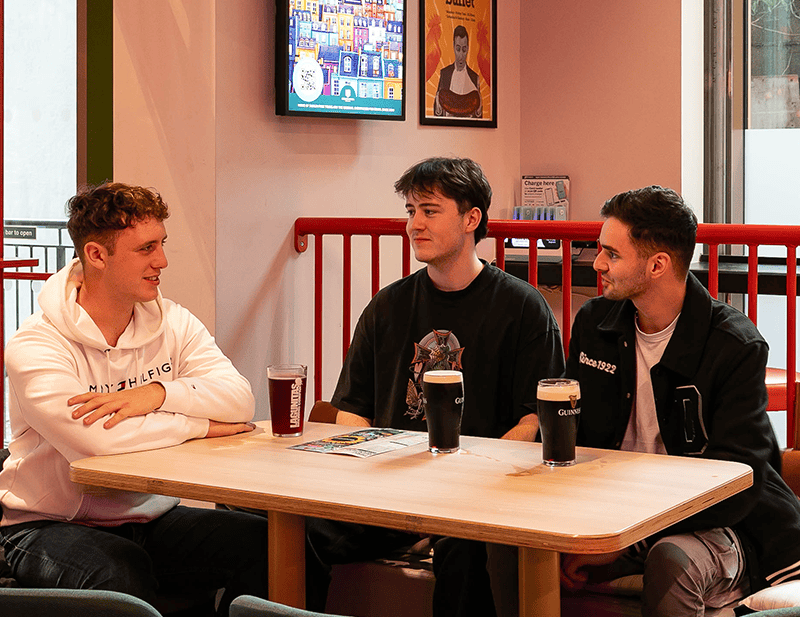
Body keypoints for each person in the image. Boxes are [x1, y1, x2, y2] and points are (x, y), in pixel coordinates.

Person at [306, 157, 564, 617]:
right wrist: (373, 464)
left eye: (429, 211)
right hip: (389, 489)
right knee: (284, 526)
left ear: (471, 219)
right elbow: (351, 408)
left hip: (479, 495)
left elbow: (535, 419)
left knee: (465, 552)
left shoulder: (522, 308)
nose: (414, 225)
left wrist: (473, 474)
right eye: (410, 211)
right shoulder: (388, 305)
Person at [0, 183, 270, 615]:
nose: (161, 261)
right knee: (120, 573)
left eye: (162, 244)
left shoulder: (173, 321)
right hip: (44, 524)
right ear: (97, 255)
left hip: (148, 515)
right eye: (146, 249)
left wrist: (157, 394)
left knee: (265, 543)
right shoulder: (36, 344)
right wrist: (199, 424)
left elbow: (239, 399)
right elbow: (98, 446)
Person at [562, 185, 800, 616]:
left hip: (718, 523)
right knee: (507, 546)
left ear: (657, 265)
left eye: (611, 254)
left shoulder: (733, 344)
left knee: (671, 559)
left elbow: (737, 481)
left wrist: (625, 541)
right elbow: (571, 427)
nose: (597, 264)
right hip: (610, 510)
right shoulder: (594, 323)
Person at [434, 26, 482, 119]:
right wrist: (437, 105)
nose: (461, 55)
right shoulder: (445, 74)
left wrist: (479, 110)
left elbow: (478, 116)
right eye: (458, 49)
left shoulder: (474, 77)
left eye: (464, 50)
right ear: (453, 46)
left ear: (468, 48)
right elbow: (438, 113)